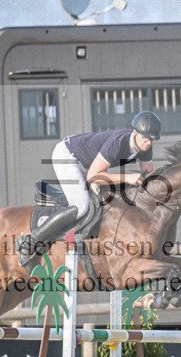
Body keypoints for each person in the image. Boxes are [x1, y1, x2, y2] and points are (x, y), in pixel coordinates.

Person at [18, 110, 161, 259]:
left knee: (111, 200)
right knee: (81, 206)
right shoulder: (118, 142)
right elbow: (93, 176)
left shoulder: (146, 147)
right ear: (135, 132)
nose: (148, 143)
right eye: (145, 138)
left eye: (152, 139)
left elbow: (148, 178)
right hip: (68, 155)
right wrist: (127, 178)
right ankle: (31, 240)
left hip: (90, 163)